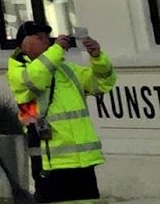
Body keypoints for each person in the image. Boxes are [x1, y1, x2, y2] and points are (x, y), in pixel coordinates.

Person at [6, 20, 116, 201]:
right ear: (24, 45)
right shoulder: (19, 71)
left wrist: (97, 58)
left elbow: (102, 83)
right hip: (50, 162)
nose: (46, 41)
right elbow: (35, 79)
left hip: (82, 160)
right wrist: (56, 50)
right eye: (38, 38)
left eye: (46, 37)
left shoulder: (66, 70)